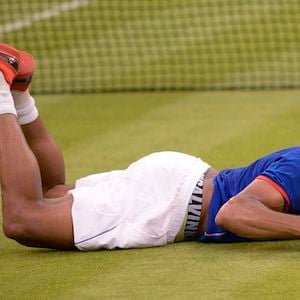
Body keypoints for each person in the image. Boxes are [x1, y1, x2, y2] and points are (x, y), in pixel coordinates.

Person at [1, 43, 300, 251]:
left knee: (50, 192)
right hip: (170, 204)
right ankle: (1, 84)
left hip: (177, 184)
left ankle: (20, 93)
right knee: (24, 220)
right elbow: (234, 213)